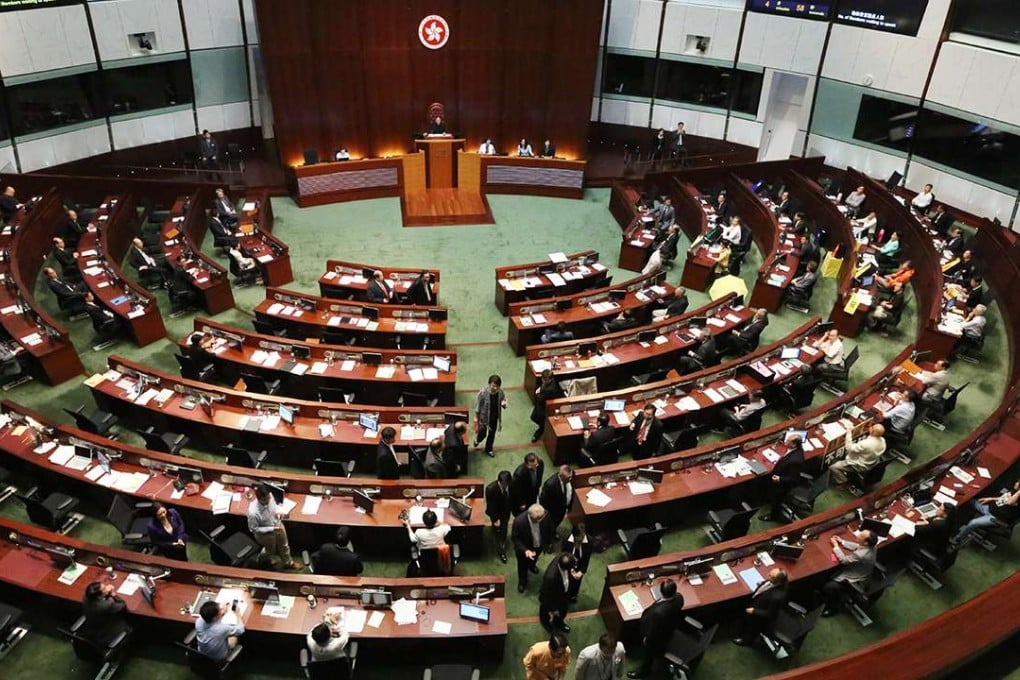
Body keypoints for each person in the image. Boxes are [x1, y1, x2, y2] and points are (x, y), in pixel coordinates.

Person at [628, 579, 684, 679]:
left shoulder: (658, 613)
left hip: (656, 640)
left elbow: (652, 630)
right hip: (669, 630)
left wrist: (646, 639)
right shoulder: (679, 597)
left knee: (648, 656)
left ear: (661, 592)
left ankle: (643, 672)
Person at [820, 530, 878, 616]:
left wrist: (836, 546)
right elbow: (858, 547)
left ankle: (833, 607)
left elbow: (843, 560)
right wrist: (842, 541)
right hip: (862, 571)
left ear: (866, 542)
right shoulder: (872, 547)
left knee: (828, 587)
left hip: (853, 579)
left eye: (861, 536)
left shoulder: (861, 555)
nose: (858, 535)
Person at [949, 481, 1020, 548]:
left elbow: (1010, 502)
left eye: (1018, 483)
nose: (1016, 483)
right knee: (969, 501)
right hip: (989, 508)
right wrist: (990, 498)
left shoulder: (1017, 497)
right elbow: (1004, 498)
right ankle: (952, 520)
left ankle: (956, 540)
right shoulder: (1014, 491)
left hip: (995, 518)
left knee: (973, 523)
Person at [247, 483, 300, 570]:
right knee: (269, 550)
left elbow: (274, 508)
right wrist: (272, 529)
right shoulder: (253, 512)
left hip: (278, 524)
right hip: (265, 534)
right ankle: (263, 561)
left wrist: (279, 514)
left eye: (268, 498)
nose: (268, 501)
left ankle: (288, 563)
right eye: (265, 500)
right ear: (258, 498)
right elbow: (253, 529)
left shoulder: (270, 496)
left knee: (284, 545)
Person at [732, 568, 789, 645]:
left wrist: (754, 611)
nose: (768, 576)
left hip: (759, 617)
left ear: (778, 581)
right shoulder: (779, 582)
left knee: (752, 629)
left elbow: (770, 614)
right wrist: (763, 584)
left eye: (771, 577)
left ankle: (745, 641)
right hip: (757, 601)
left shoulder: (777, 597)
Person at [758, 435, 805, 521]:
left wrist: (780, 479)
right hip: (778, 473)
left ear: (794, 445)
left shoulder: (796, 460)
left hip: (782, 485)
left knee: (777, 501)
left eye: (788, 441)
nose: (785, 442)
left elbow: (793, 479)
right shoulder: (796, 449)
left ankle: (773, 516)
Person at [512, 503, 553, 592]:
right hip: (525, 549)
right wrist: (525, 550)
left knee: (535, 558)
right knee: (522, 566)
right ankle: (522, 582)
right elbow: (515, 539)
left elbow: (549, 527)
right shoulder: (519, 522)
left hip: (539, 546)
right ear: (532, 518)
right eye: (540, 519)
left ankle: (532, 566)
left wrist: (548, 542)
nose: (543, 519)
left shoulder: (545, 514)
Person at [539, 552, 582, 632]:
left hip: (563, 594)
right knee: (546, 615)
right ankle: (546, 624)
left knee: (562, 611)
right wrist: (553, 610)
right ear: (565, 569)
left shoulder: (563, 557)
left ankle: (559, 622)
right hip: (551, 599)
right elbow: (545, 597)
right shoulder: (550, 578)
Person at [80, 581, 129, 646]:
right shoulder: (107, 605)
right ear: (100, 595)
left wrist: (105, 593)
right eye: (104, 588)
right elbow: (122, 605)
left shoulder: (86, 597)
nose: (107, 587)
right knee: (130, 618)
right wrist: (113, 595)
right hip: (108, 633)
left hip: (93, 629)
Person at [473, 374, 507, 458]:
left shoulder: (500, 392)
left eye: (497, 386)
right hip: (483, 418)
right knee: (483, 433)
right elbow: (477, 407)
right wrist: (476, 418)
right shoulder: (483, 393)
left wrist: (504, 404)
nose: (495, 388)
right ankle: (477, 440)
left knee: (492, 435)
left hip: (494, 417)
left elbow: (503, 401)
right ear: (489, 384)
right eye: (493, 386)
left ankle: (488, 449)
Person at [485, 470, 513, 563]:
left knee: (503, 531)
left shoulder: (512, 485)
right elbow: (491, 505)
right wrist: (495, 519)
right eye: (503, 484)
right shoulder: (491, 489)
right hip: (496, 512)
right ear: (499, 481)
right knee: (496, 528)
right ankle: (495, 529)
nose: (505, 486)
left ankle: (502, 548)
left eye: (507, 484)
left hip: (506, 511)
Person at [531, 368, 563, 442]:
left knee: (538, 419)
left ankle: (541, 430)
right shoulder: (550, 382)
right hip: (543, 402)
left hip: (544, 406)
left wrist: (537, 393)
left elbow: (540, 398)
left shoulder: (549, 389)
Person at [562, 523, 592, 602]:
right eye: (579, 537)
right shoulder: (566, 540)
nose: (581, 539)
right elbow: (563, 557)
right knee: (565, 582)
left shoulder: (589, 541)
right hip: (567, 566)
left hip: (579, 567)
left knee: (577, 582)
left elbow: (587, 559)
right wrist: (571, 570)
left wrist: (581, 572)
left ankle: (573, 595)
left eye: (583, 536)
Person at [539, 465, 574, 531]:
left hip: (562, 510)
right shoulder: (550, 484)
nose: (570, 479)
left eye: (571, 476)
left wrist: (569, 507)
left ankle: (553, 531)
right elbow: (542, 500)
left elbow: (571, 493)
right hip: (553, 512)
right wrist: (547, 513)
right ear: (561, 476)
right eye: (568, 477)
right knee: (549, 526)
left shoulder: (569, 479)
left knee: (556, 524)